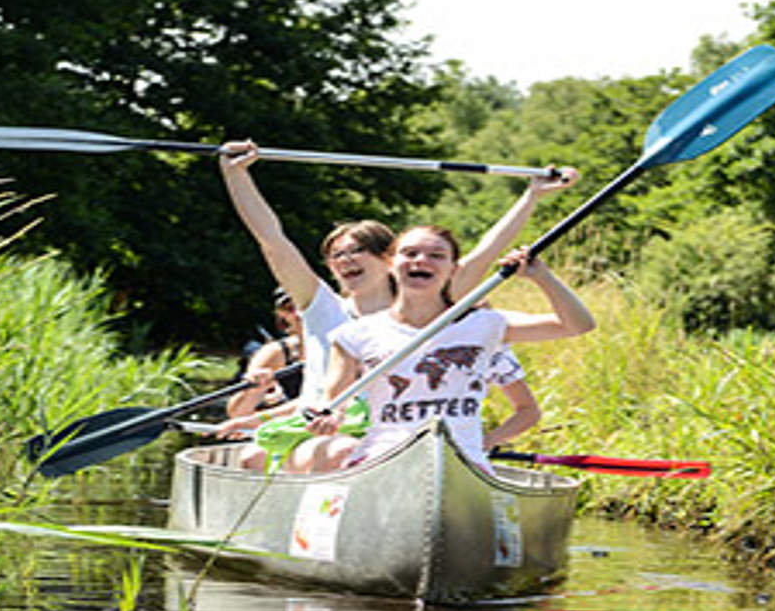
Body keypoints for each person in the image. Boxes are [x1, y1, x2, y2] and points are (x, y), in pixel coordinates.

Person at [217, 141, 580, 470]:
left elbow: (486, 250)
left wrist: (532, 196)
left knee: (381, 450)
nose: (345, 260)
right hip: (324, 433)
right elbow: (271, 239)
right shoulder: (321, 306)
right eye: (336, 255)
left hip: (400, 439)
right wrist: (236, 176)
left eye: (356, 251)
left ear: (387, 259)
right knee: (291, 454)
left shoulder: (427, 306)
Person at [300, 225, 595, 473]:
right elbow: (334, 402)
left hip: (464, 460)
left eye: (436, 255)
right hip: (381, 456)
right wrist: (329, 418)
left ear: (452, 269)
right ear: (390, 263)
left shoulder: (485, 325)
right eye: (410, 253)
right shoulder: (352, 335)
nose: (421, 260)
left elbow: (578, 325)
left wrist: (542, 277)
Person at [226, 287, 304, 418]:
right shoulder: (275, 352)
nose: (298, 314)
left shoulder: (344, 343)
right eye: (289, 308)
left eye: (305, 307)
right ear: (282, 315)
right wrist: (255, 391)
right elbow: (237, 413)